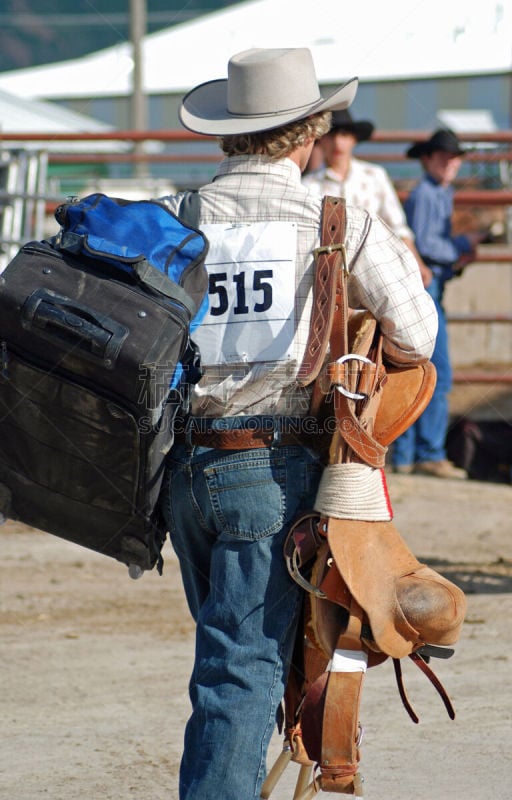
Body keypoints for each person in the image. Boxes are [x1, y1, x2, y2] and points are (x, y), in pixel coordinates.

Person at [157, 47, 437, 800]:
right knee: (243, 665)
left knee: (233, 655)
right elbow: (419, 335)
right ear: (309, 132)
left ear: (227, 134)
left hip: (183, 468)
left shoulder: (180, 218)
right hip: (274, 469)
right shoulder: (335, 219)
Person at [391, 128, 487, 478]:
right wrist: (462, 244)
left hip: (428, 287)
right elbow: (427, 245)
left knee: (418, 369)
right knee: (437, 372)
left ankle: (405, 455)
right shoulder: (428, 196)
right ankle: (427, 452)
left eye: (455, 157)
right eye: (444, 156)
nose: (450, 162)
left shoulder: (436, 193)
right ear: (428, 158)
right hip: (426, 290)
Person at [302, 108, 432, 286]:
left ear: (354, 139)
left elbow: (397, 226)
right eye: (331, 135)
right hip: (329, 278)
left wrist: (416, 263)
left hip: (376, 271)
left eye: (345, 135)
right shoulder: (309, 185)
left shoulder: (375, 176)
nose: (338, 142)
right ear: (321, 140)